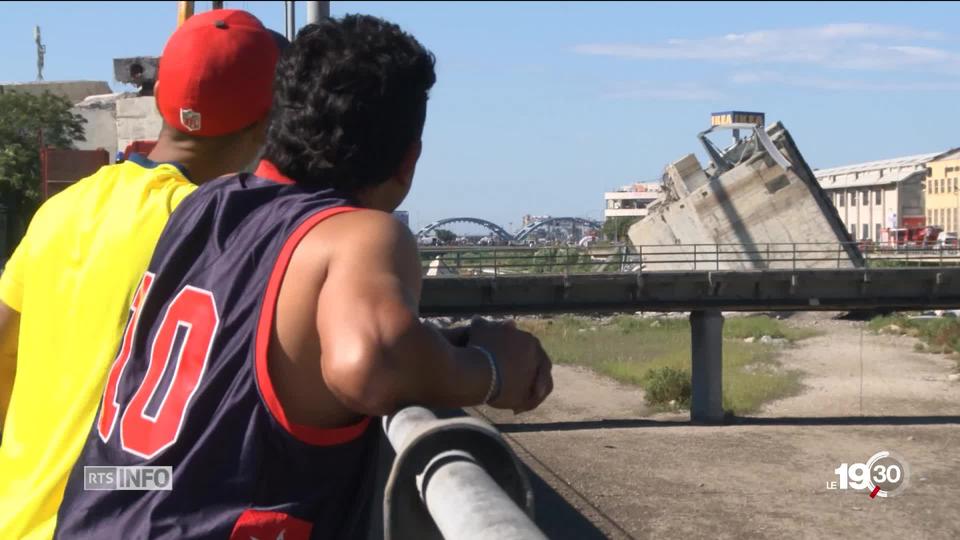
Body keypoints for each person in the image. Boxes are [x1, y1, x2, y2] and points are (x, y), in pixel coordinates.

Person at [55, 14, 554, 539]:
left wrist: (438, 346)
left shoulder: (204, 206)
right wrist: (492, 368)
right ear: (409, 159)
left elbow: (268, 352)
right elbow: (370, 363)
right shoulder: (358, 234)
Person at [0, 10, 284, 539]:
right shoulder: (219, 229)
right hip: (113, 521)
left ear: (161, 101)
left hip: (16, 517)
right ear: (267, 124)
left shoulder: (64, 207)